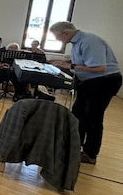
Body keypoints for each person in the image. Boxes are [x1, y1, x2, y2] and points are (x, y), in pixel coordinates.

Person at [49, 21, 122, 164]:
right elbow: (84, 62)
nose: (58, 40)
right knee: (78, 114)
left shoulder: (89, 41)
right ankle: (75, 145)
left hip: (103, 82)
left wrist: (70, 65)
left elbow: (100, 68)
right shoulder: (78, 42)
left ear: (66, 33)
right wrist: (63, 62)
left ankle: (90, 154)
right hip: (88, 83)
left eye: (58, 36)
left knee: (93, 118)